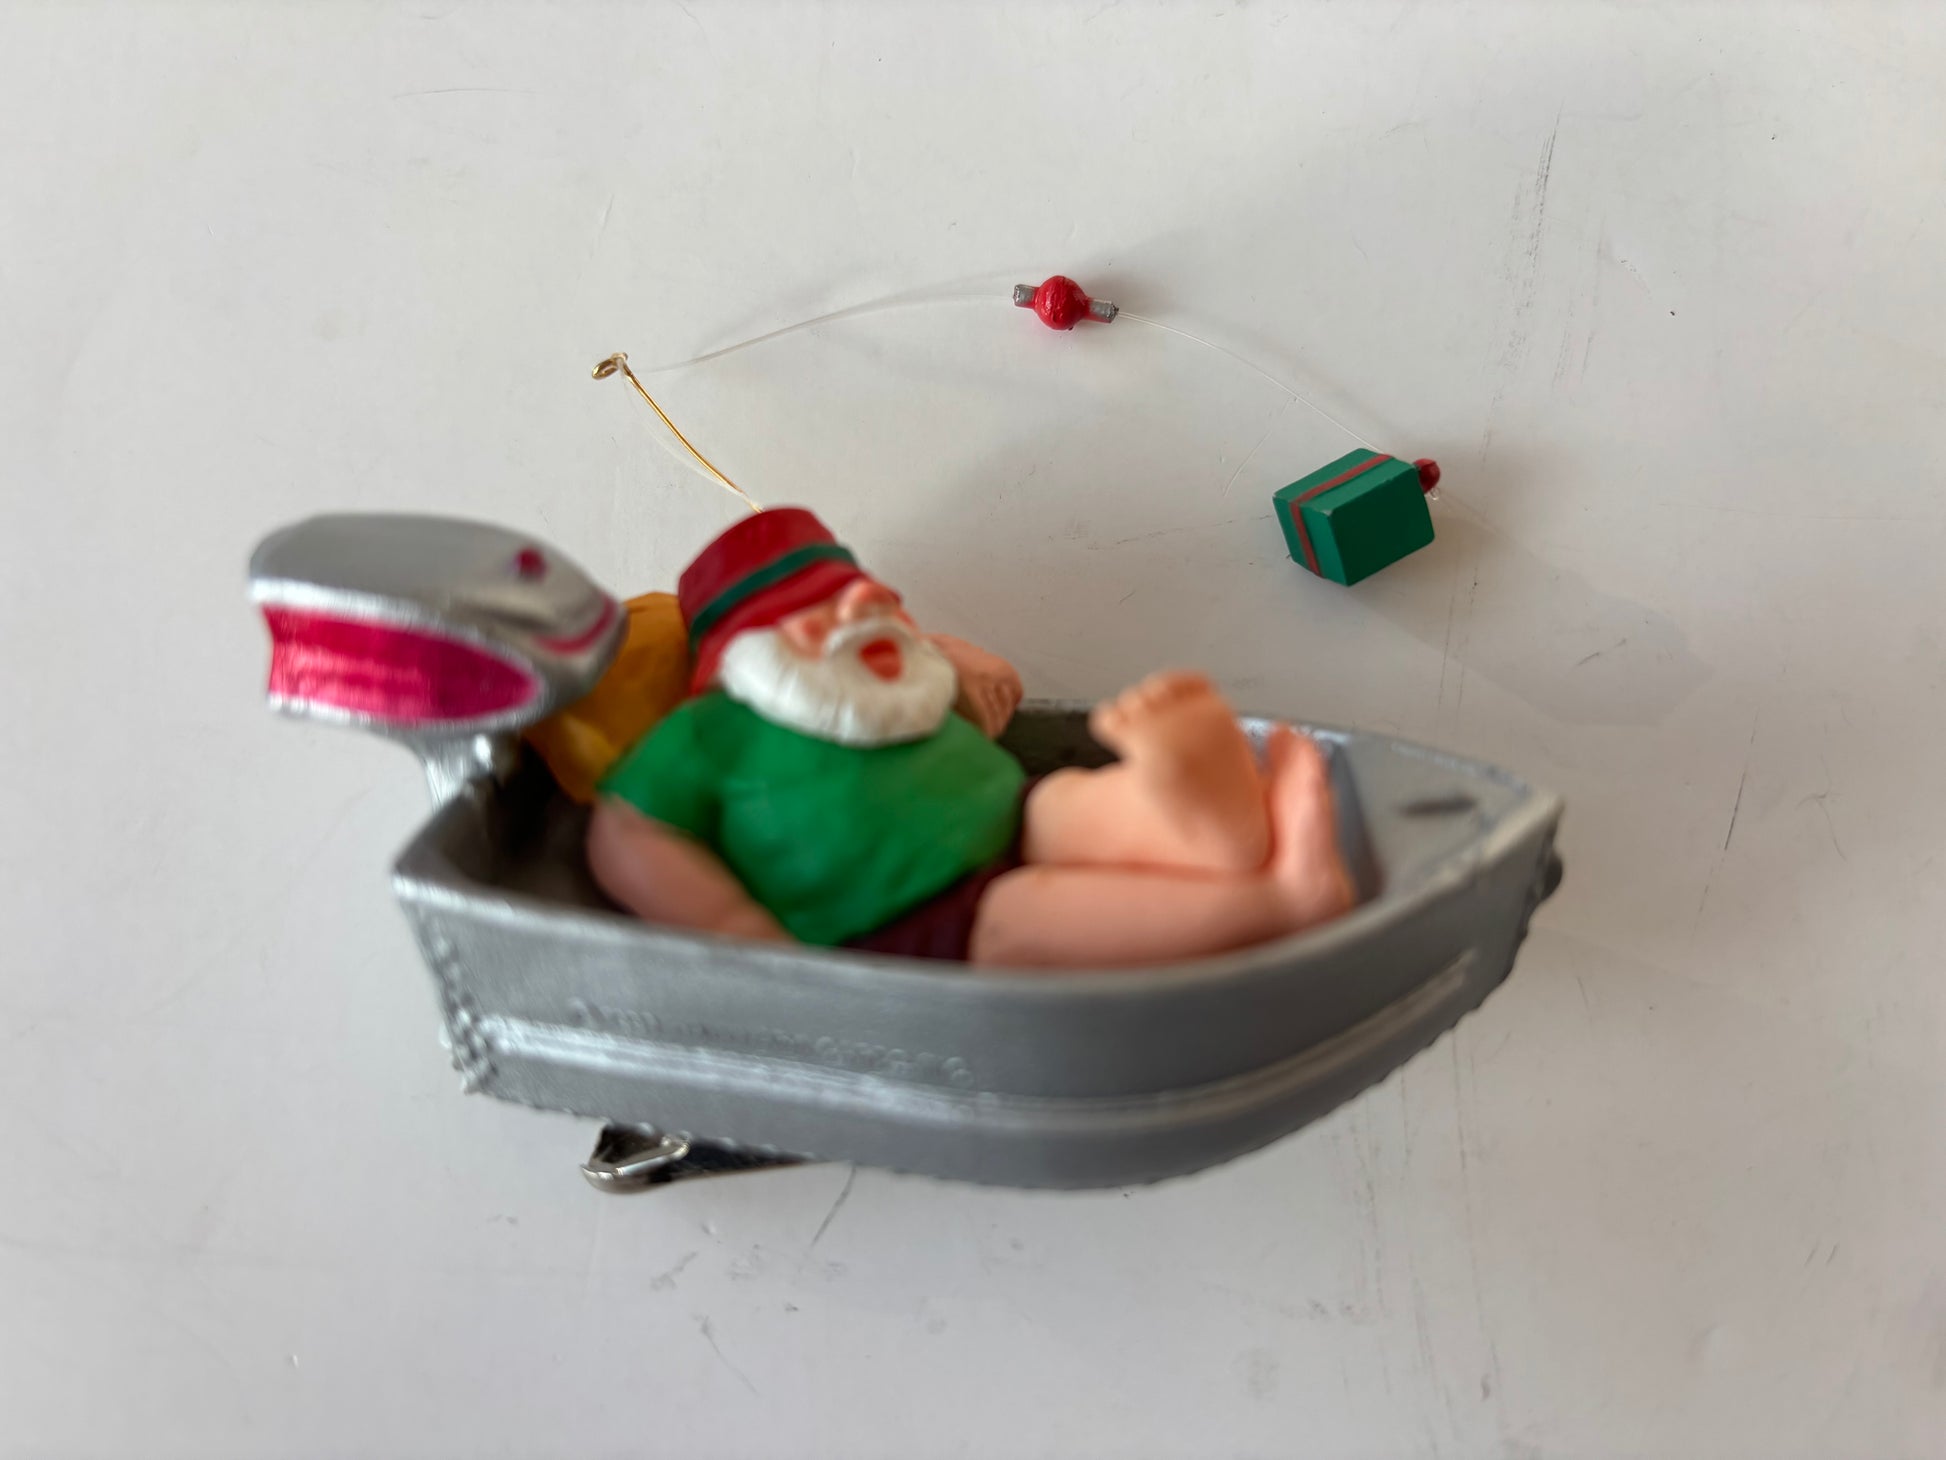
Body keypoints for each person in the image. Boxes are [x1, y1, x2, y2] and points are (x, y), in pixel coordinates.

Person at [589, 508, 1354, 967]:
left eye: (868, 603)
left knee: (1076, 803)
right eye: (820, 613)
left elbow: (993, 688)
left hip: (1016, 812)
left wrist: (948, 661)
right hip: (906, 914)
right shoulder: (711, 733)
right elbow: (630, 834)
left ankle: (1206, 828)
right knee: (1030, 915)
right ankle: (1278, 902)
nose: (862, 617)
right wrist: (741, 934)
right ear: (746, 656)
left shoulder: (892, 685)